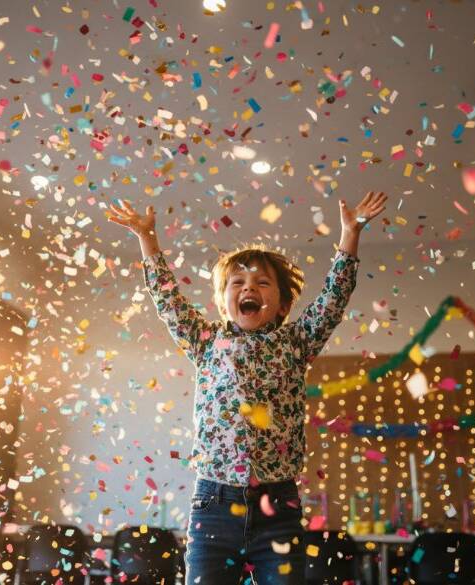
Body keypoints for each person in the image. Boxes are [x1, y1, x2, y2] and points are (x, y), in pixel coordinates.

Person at [106, 191, 387, 584]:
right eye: (237, 282)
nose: (248, 287)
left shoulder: (296, 342)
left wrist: (350, 234)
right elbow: (167, 299)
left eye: (261, 282)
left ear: (283, 303)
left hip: (278, 507)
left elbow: (332, 301)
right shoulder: (206, 342)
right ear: (224, 301)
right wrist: (147, 239)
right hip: (214, 505)